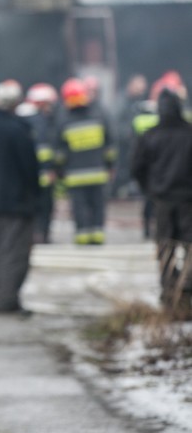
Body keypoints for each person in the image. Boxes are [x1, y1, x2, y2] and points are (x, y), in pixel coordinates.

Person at [0, 79, 40, 317]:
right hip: (20, 201)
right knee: (16, 251)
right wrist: (36, 195)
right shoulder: (19, 130)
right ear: (16, 103)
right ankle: (8, 300)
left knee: (1, 249)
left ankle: (1, 295)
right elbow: (30, 167)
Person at [131, 87, 192, 316]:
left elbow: (136, 168)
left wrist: (151, 191)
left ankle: (169, 293)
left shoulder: (150, 136)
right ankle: (187, 289)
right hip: (188, 201)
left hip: (162, 201)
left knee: (165, 246)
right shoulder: (189, 133)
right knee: (190, 245)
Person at [56, 77, 117, 245]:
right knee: (98, 204)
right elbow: (110, 145)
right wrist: (111, 166)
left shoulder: (64, 119)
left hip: (75, 176)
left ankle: (82, 236)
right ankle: (97, 235)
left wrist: (60, 170)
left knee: (79, 206)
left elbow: (59, 151)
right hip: (98, 172)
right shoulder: (99, 115)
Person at [17, 82, 60, 244]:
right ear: (41, 103)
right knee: (44, 206)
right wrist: (50, 168)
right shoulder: (40, 121)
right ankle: (41, 234)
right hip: (43, 174)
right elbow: (45, 149)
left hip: (23, 176)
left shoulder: (18, 117)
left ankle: (30, 234)